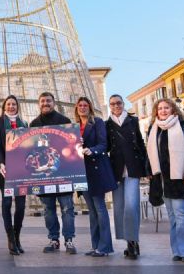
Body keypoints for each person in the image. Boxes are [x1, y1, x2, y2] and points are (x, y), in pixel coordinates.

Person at [146, 98, 184, 262]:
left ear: (173, 109)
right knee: (172, 216)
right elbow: (149, 153)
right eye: (160, 108)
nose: (163, 111)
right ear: (156, 112)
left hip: (179, 178)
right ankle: (177, 251)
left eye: (166, 107)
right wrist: (149, 171)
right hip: (161, 179)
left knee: (181, 214)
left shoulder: (182, 126)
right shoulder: (154, 129)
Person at [29, 92, 76, 254]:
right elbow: (32, 150)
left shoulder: (65, 121)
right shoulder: (34, 124)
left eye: (48, 100)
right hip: (45, 176)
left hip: (63, 174)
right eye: (42, 101)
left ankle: (69, 240)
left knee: (67, 208)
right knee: (48, 209)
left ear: (53, 103)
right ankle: (54, 240)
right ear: (39, 104)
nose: (45, 103)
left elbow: (71, 147)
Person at [105, 94, 148, 259]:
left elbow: (140, 143)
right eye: (113, 104)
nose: (116, 106)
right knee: (119, 207)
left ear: (123, 104)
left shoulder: (133, 121)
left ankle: (132, 242)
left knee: (131, 206)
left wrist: (146, 168)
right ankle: (127, 240)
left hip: (133, 168)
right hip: (115, 169)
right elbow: (106, 146)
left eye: (118, 103)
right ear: (109, 106)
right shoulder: (106, 124)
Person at [75, 97, 117, 257]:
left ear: (90, 108)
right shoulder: (74, 126)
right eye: (80, 105)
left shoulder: (97, 122)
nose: (83, 107)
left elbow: (103, 144)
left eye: (86, 105)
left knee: (99, 208)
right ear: (77, 108)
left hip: (96, 169)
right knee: (91, 210)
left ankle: (105, 247)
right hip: (80, 171)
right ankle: (95, 245)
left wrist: (91, 150)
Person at [0, 95, 28, 255]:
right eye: (8, 104)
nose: (11, 106)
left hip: (21, 171)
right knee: (6, 204)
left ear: (17, 106)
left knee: (20, 206)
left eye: (14, 104)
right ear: (4, 106)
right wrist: (1, 163)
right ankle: (11, 239)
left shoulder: (24, 124)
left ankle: (17, 237)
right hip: (4, 169)